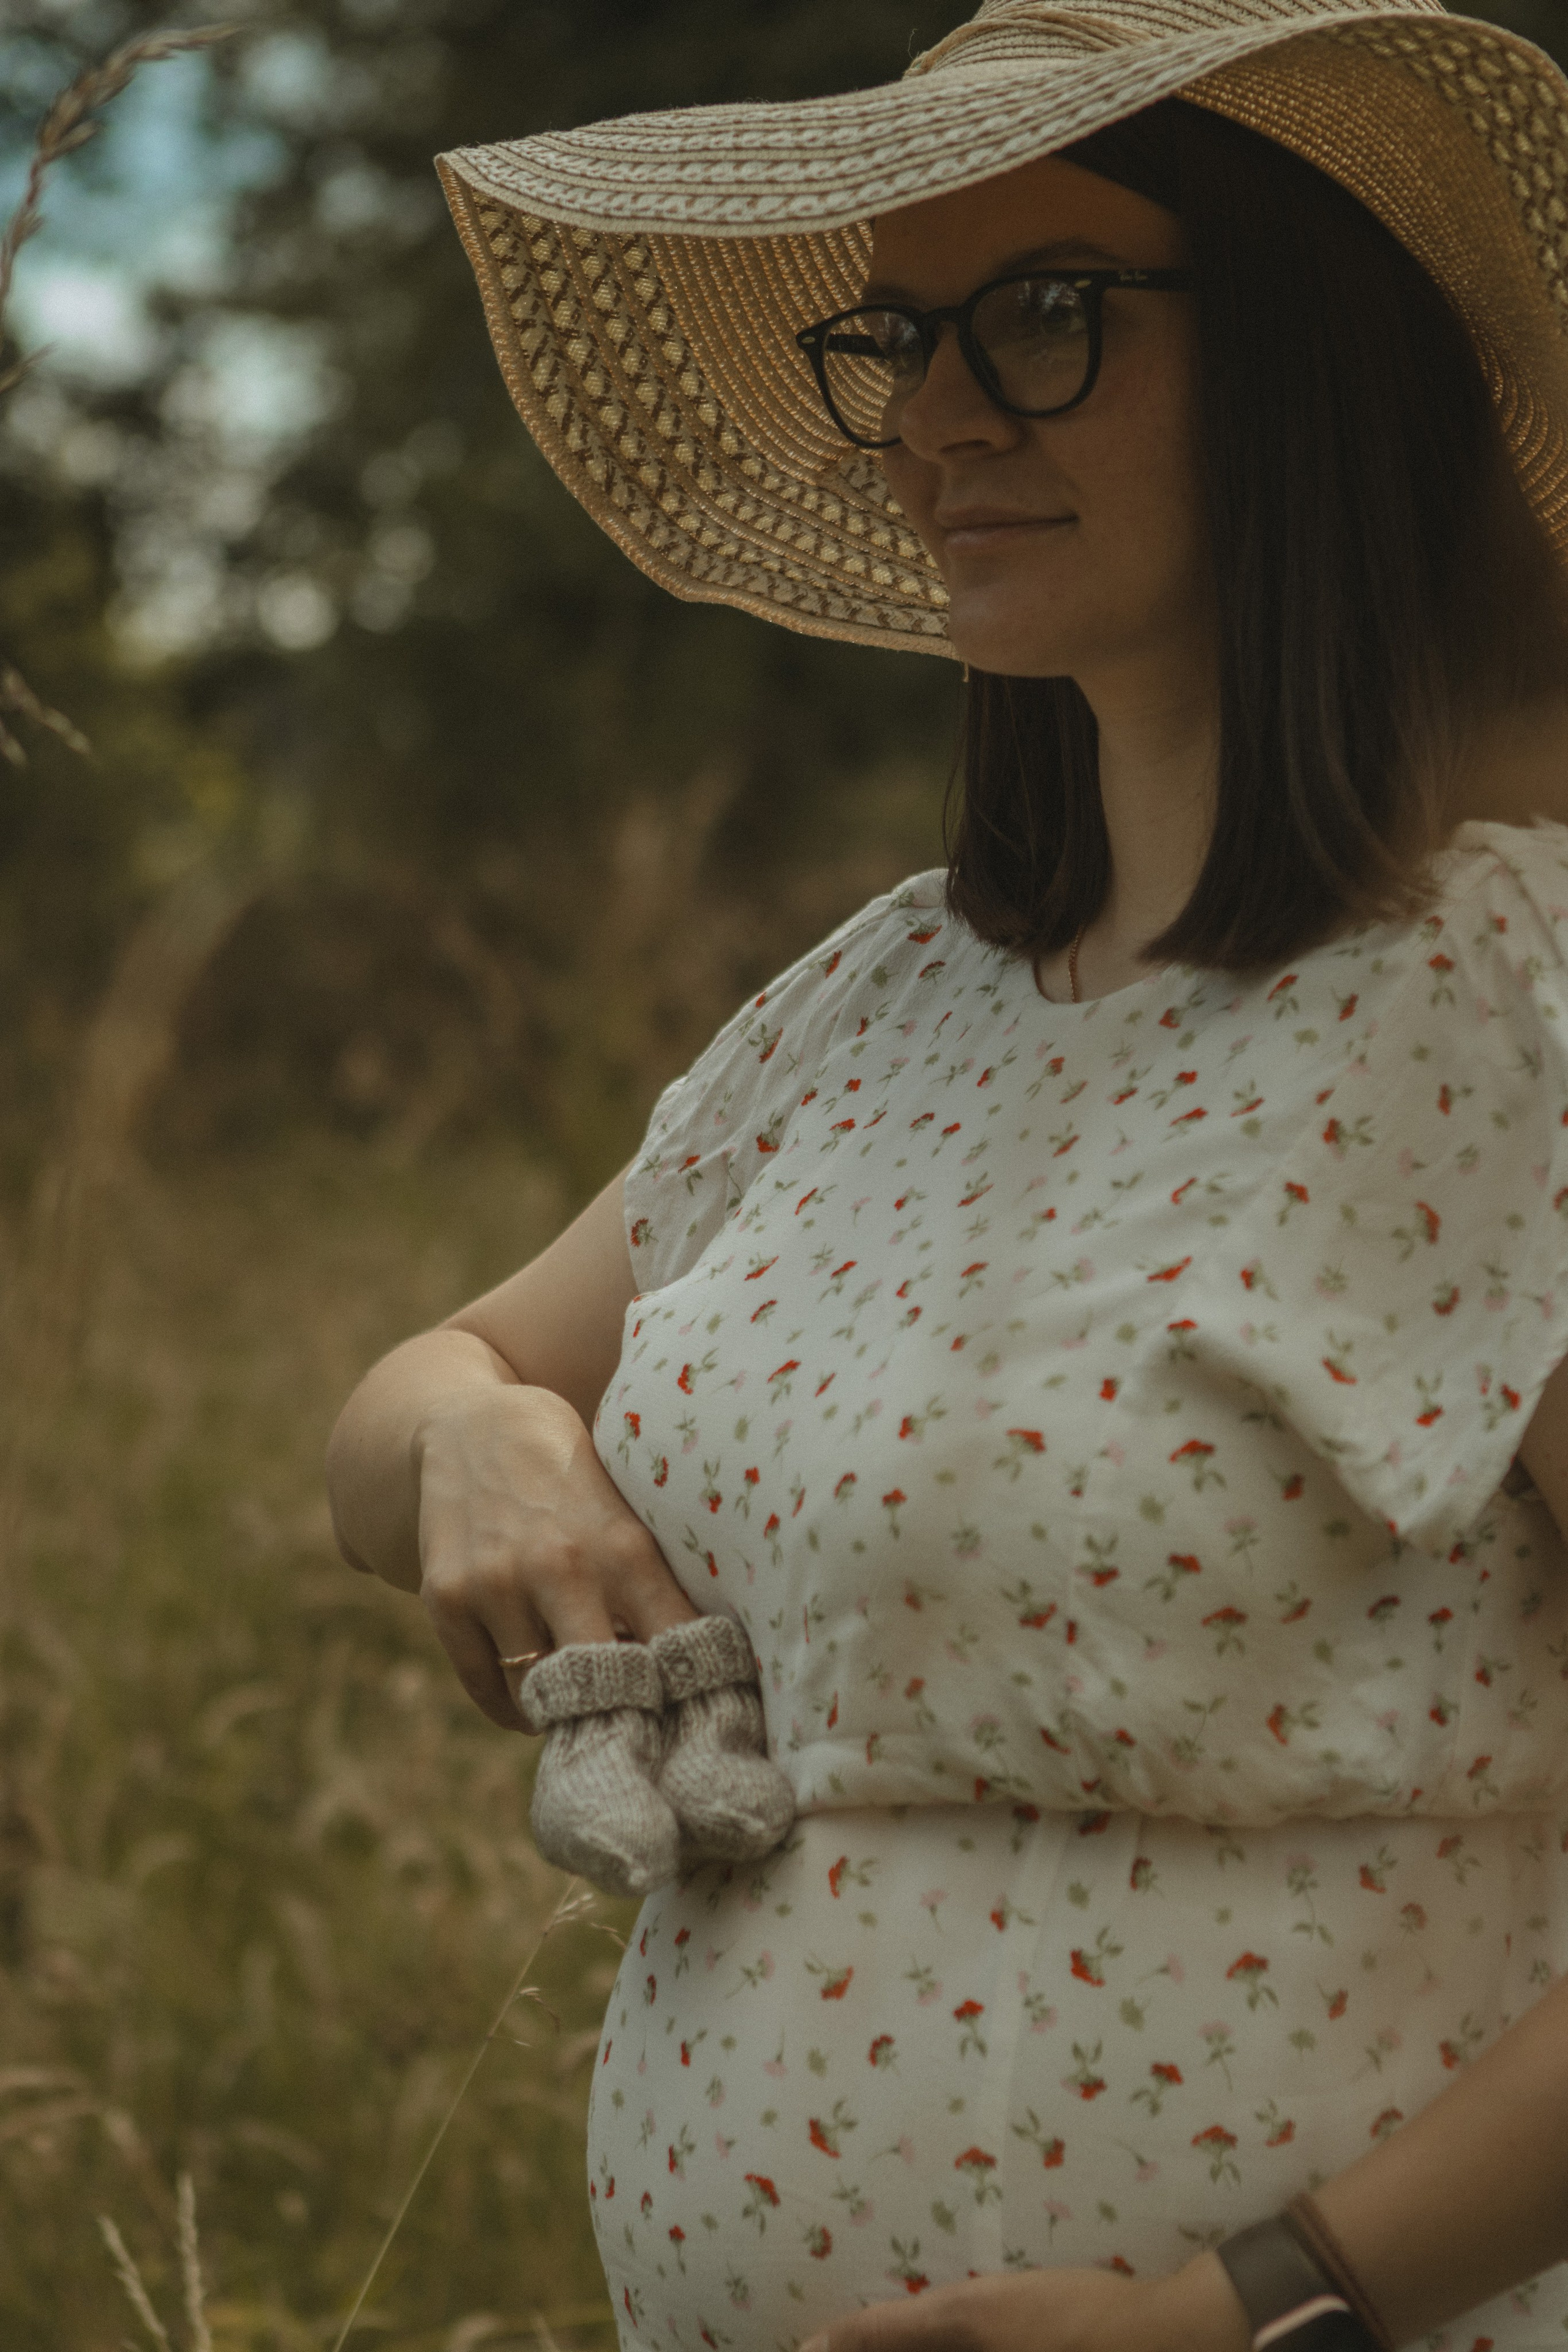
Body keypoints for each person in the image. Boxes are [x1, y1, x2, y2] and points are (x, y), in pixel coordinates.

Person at [327, 2, 1568, 2345]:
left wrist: (1250, 2307)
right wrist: (475, 1445)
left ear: (1313, 364)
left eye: (1049, 314)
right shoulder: (882, 1002)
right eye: (903, 334)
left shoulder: (1507, 1022)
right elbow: (415, 1392)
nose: (938, 415)